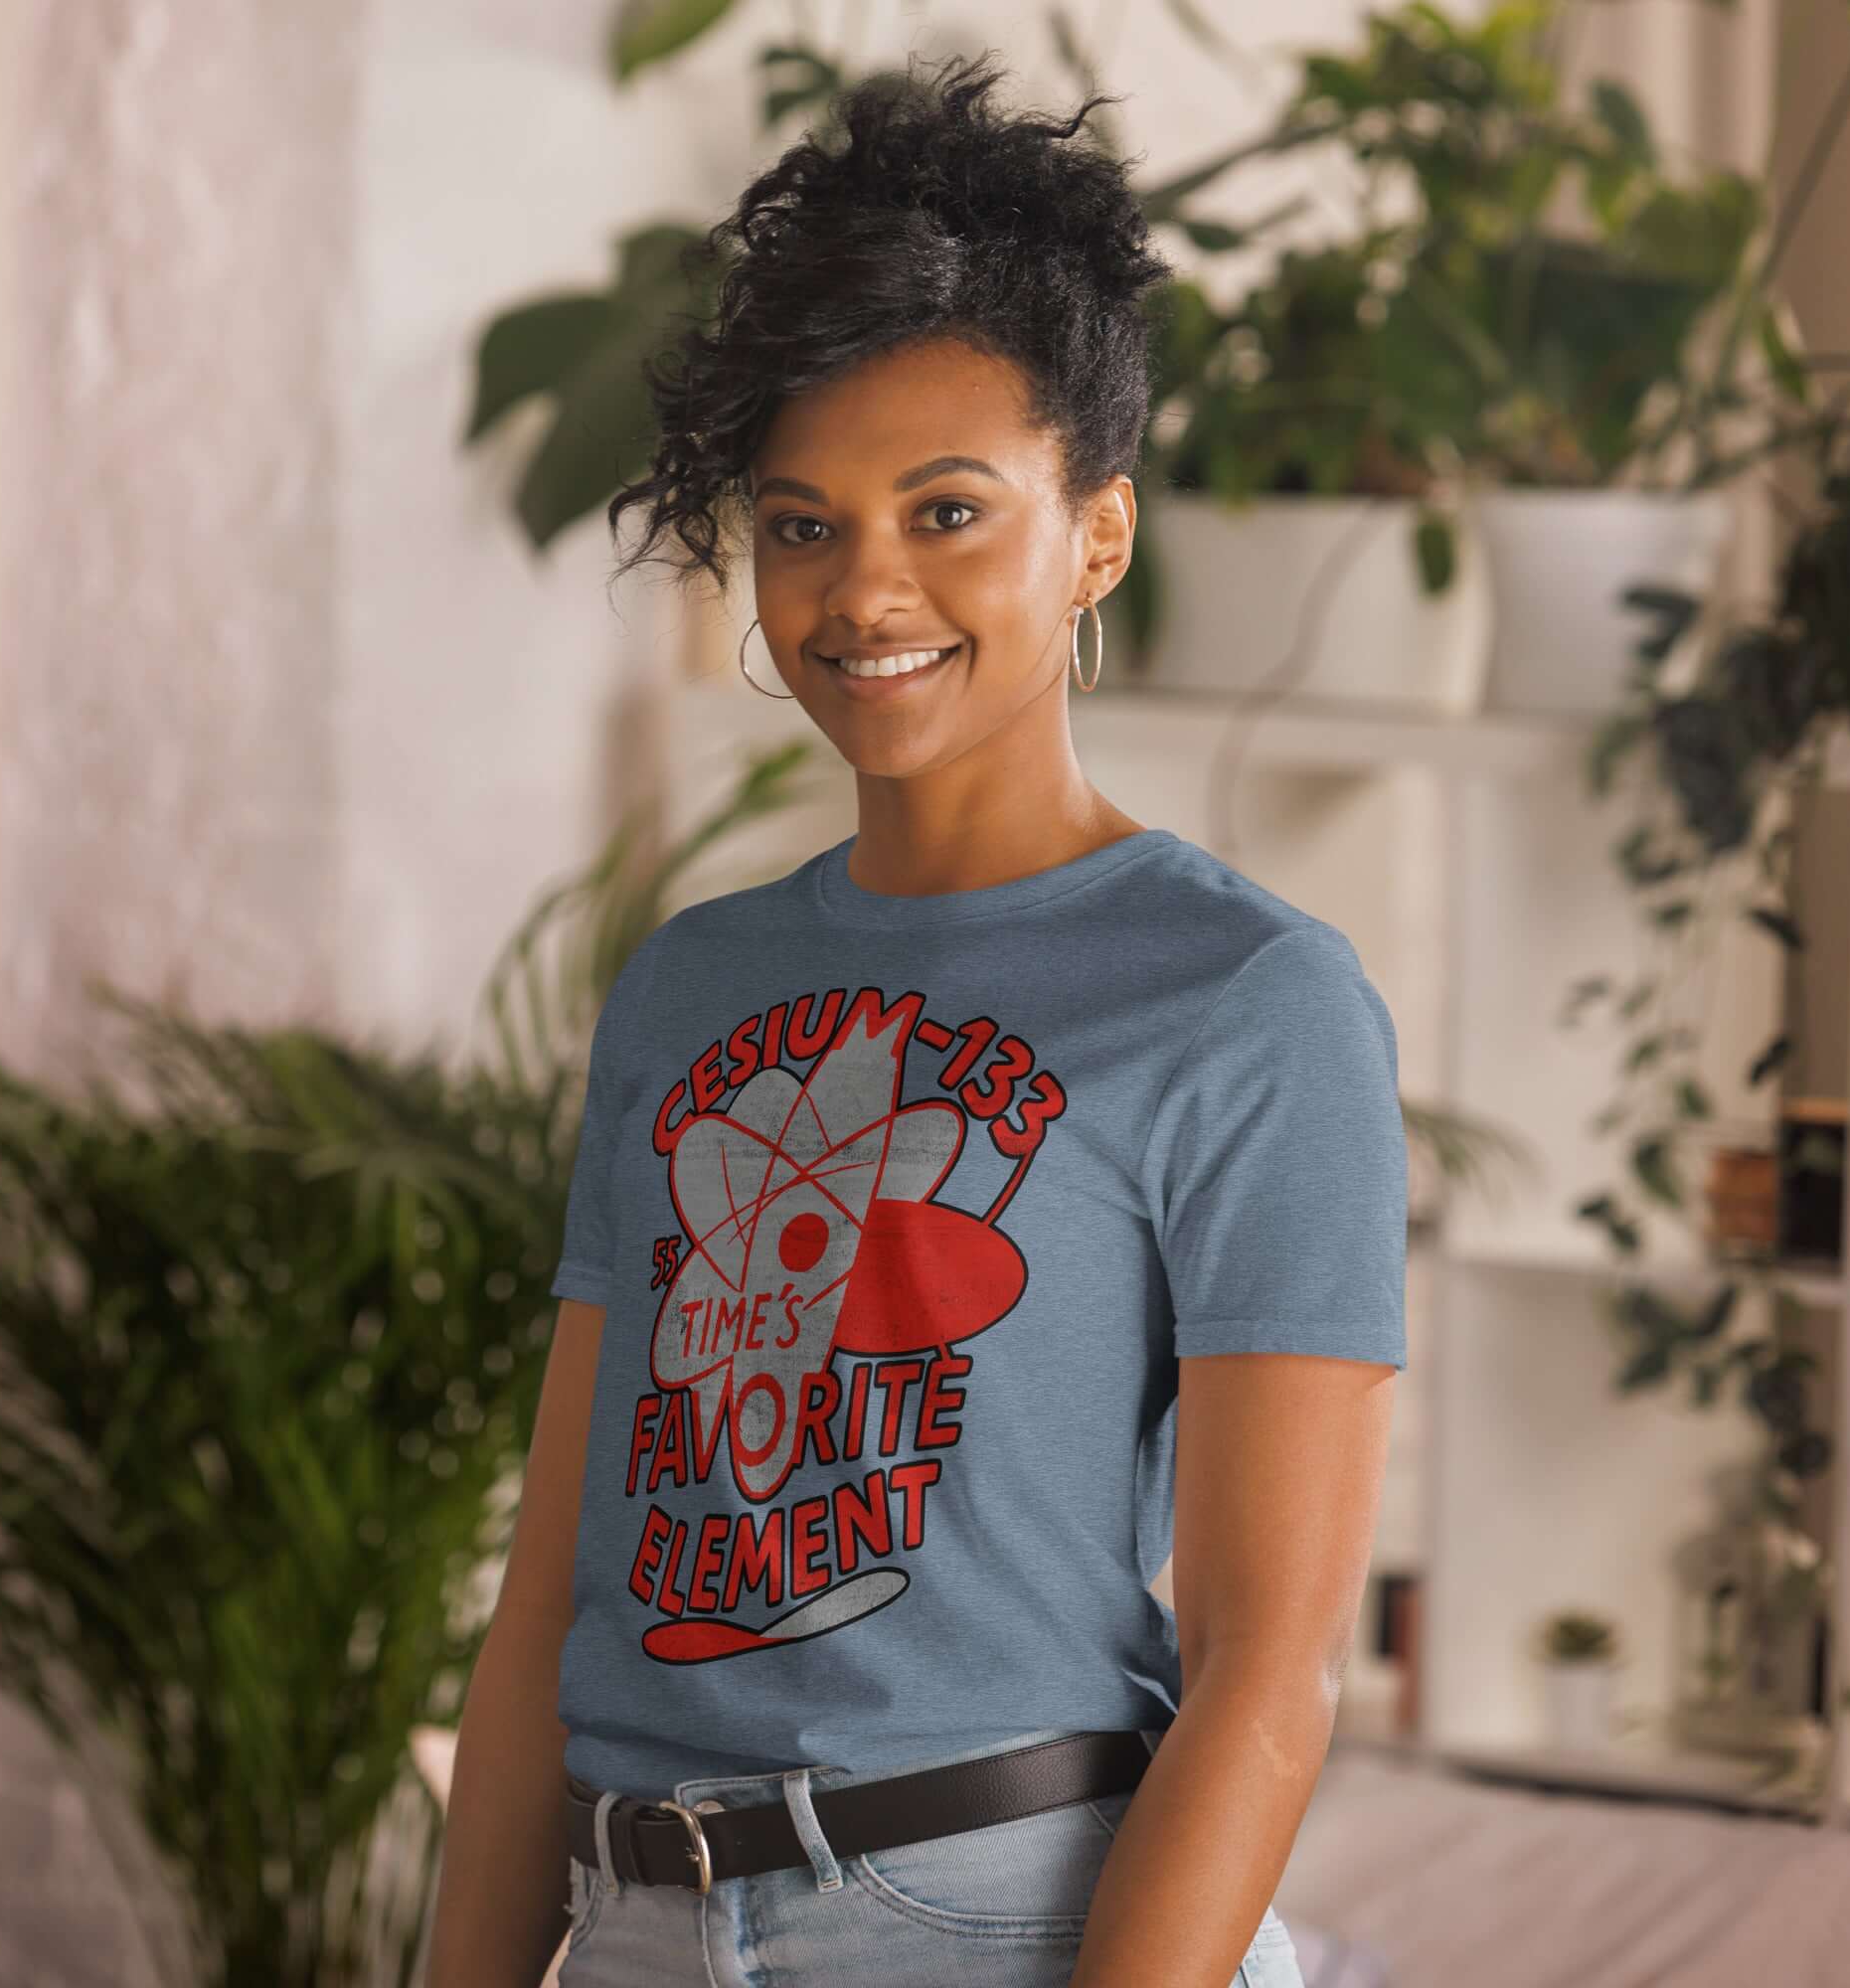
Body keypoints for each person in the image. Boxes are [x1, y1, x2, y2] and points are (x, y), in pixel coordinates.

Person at [424, 50, 1406, 1988]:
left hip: (994, 1915)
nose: (863, 586)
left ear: (1095, 535)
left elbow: (1267, 1667)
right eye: (801, 524)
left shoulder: (1246, 998)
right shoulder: (691, 985)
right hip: (633, 1920)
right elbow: (554, 1592)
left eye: (946, 509)